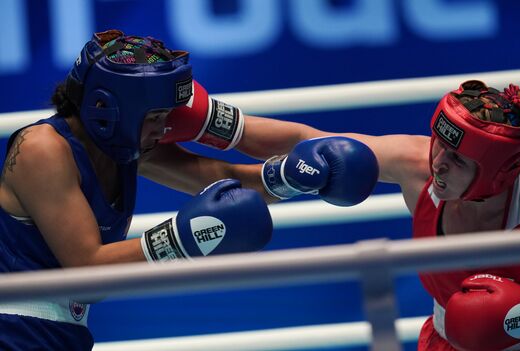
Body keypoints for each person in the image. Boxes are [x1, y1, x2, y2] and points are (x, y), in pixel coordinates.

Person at [0, 30, 379, 350]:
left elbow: (218, 174)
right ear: (107, 108)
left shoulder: (121, 148)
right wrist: (184, 238)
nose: (164, 130)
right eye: (155, 118)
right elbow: (88, 269)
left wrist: (289, 178)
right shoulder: (42, 149)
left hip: (56, 335)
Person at [164, 78, 520, 350]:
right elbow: (312, 143)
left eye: (458, 160)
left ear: (502, 171)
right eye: (439, 146)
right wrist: (206, 122)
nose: (439, 164)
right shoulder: (418, 167)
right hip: (444, 342)